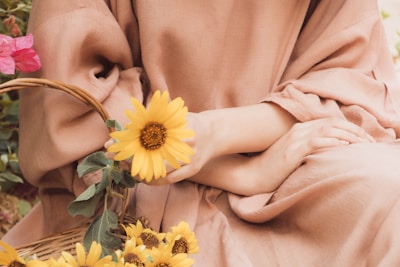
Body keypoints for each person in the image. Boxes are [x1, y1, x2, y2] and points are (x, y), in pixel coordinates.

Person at [3, 0, 400, 265]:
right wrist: (238, 173)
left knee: (387, 190)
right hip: (133, 188)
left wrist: (217, 132)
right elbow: (76, 102)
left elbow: (348, 79)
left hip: (288, 164)